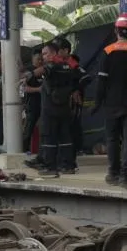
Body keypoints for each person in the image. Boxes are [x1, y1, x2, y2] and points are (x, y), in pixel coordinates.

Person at [95, 14, 127, 186]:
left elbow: (101, 80)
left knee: (112, 139)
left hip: (111, 102)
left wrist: (98, 102)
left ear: (116, 31)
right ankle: (125, 176)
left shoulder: (108, 51)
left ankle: (113, 173)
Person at [36, 42, 79, 176]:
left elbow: (44, 71)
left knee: (49, 137)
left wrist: (29, 75)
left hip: (50, 108)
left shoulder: (52, 65)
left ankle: (50, 167)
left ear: (54, 53)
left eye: (45, 53)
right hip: (64, 107)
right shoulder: (68, 65)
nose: (43, 57)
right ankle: (68, 166)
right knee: (65, 137)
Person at [21, 51, 44, 156]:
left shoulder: (45, 69)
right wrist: (38, 89)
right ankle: (24, 151)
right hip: (32, 104)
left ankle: (42, 151)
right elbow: (23, 88)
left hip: (44, 104)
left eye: (41, 58)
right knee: (29, 128)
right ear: (32, 58)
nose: (40, 61)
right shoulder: (28, 72)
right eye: (38, 58)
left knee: (44, 129)